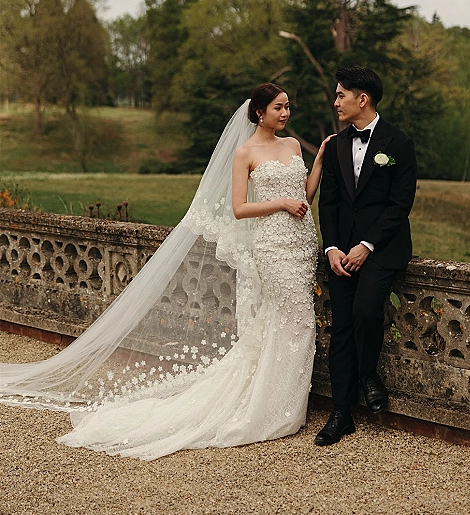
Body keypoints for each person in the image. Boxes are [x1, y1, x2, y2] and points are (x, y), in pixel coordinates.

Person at [0, 84, 332, 460]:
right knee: (299, 322)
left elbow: (304, 195)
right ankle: (276, 410)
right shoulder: (245, 153)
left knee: (287, 322)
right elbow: (239, 209)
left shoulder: (291, 147)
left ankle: (283, 402)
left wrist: (318, 160)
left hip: (302, 244)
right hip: (272, 246)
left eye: (288, 107)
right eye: (278, 107)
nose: (286, 113)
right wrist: (281, 203)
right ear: (259, 113)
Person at [315, 67, 417, 446]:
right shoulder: (338, 144)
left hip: (382, 249)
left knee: (365, 312)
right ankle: (341, 414)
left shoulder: (399, 143)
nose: (335, 101)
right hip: (341, 252)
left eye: (341, 95)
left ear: (363, 99)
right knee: (340, 328)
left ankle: (369, 374)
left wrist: (366, 246)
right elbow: (329, 203)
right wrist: (333, 248)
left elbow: (399, 204)